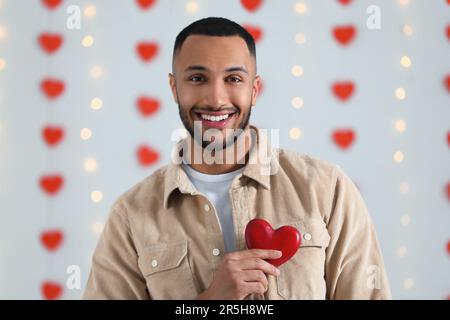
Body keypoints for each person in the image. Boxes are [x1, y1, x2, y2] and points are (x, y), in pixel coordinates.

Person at [83, 17, 391, 300]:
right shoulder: (131, 215)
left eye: (233, 79)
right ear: (174, 88)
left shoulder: (327, 189)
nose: (216, 99)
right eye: (197, 78)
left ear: (254, 90)